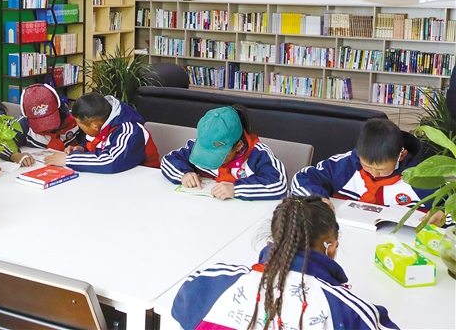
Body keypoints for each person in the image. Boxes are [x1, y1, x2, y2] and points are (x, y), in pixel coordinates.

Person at [172, 196, 398, 330]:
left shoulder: (209, 282)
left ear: (272, 240)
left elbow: (182, 312)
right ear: (332, 248)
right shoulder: (348, 312)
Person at [291, 118, 445, 225]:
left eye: (381, 169)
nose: (373, 173)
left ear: (401, 155)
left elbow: (450, 205)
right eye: (367, 166)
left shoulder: (421, 177)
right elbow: (302, 178)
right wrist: (317, 198)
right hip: (345, 235)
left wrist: (442, 215)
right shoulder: (345, 165)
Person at [161, 106, 287, 201]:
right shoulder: (198, 147)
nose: (209, 159)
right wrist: (184, 174)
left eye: (218, 155)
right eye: (206, 152)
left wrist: (235, 189)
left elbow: (279, 185)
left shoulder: (259, 155)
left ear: (239, 146)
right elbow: (167, 160)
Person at [45, 92, 159, 173]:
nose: (80, 129)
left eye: (81, 126)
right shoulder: (103, 120)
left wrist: (68, 160)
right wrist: (82, 149)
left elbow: (112, 161)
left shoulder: (130, 131)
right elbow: (98, 145)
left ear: (95, 125)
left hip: (144, 179)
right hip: (119, 177)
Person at [13, 84, 85, 161]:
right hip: (35, 165)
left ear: (58, 107)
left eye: (50, 120)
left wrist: (81, 147)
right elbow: (5, 144)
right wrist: (15, 156)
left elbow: (88, 138)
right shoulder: (22, 124)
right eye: (40, 123)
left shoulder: (75, 119)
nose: (47, 128)